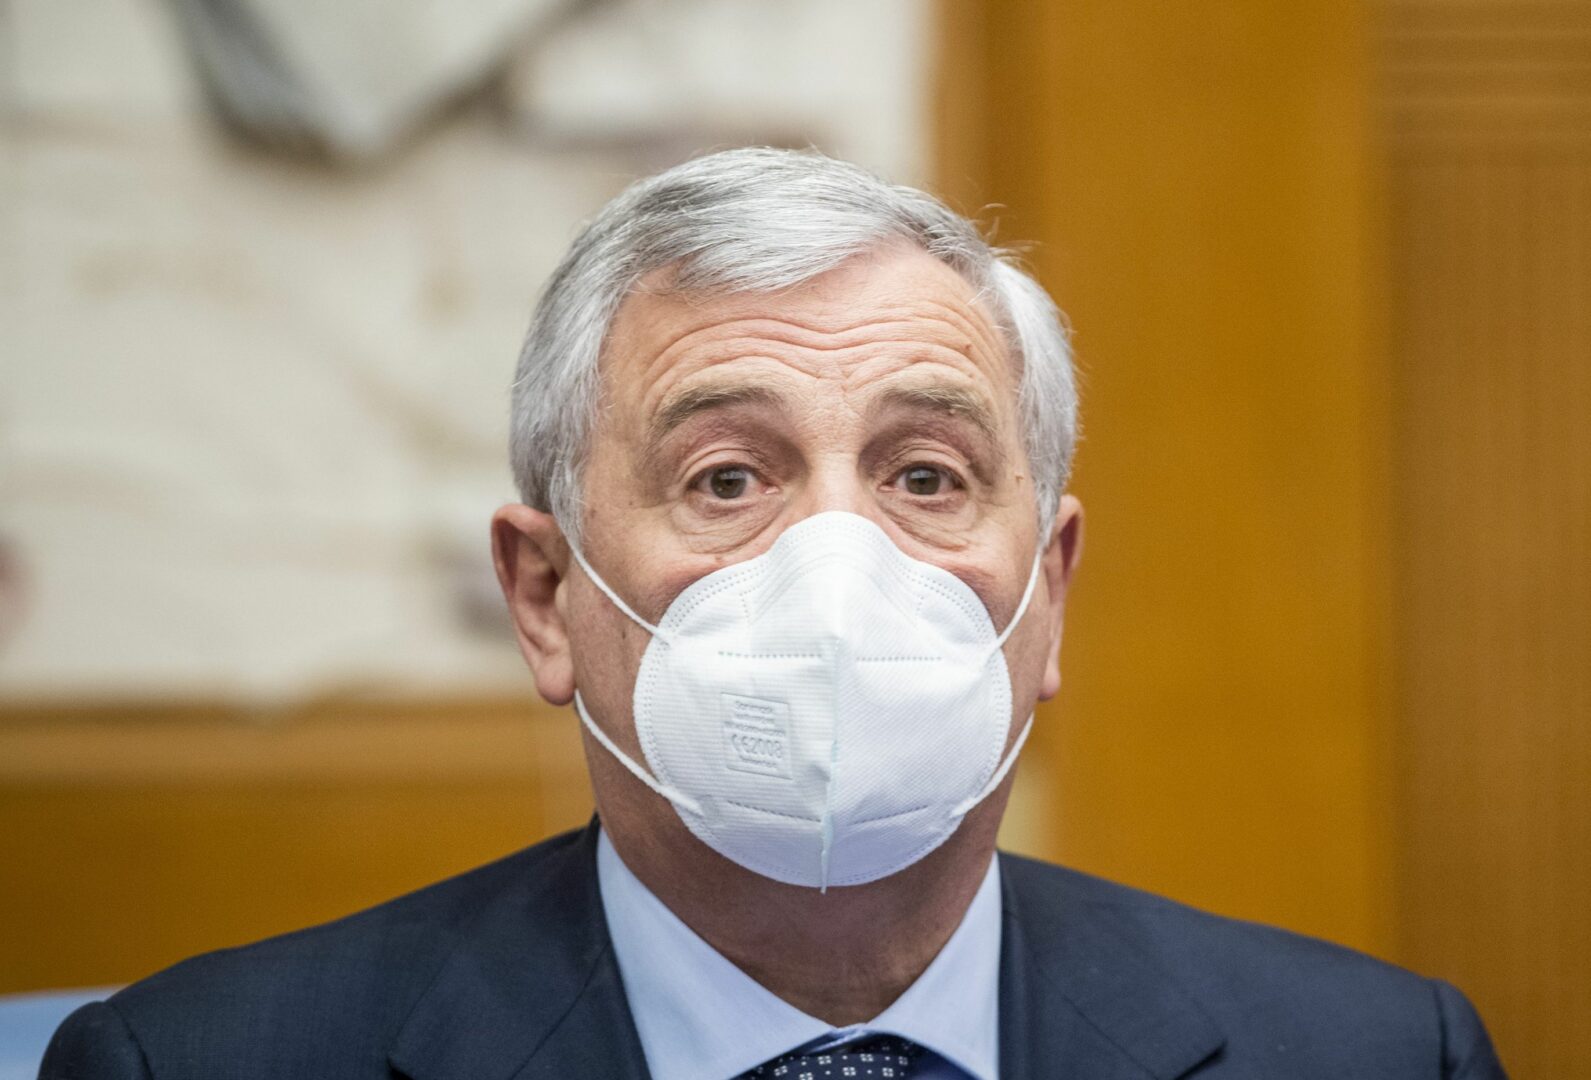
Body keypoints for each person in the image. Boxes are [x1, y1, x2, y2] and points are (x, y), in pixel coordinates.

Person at [40, 148, 1506, 1080]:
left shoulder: (1378, 1055)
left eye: (925, 476)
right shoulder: (197, 1065)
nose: (836, 566)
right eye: (727, 478)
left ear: (1048, 593)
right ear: (546, 597)